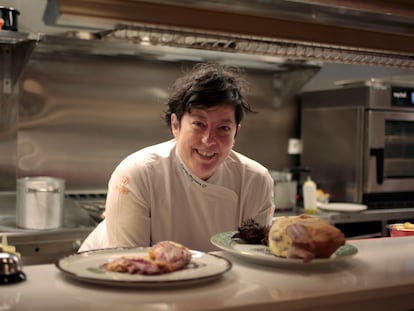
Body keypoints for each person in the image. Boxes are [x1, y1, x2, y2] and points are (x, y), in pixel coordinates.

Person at [79, 62, 275, 252]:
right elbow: (128, 263)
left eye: (223, 128)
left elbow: (254, 259)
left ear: (235, 133)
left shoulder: (255, 181)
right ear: (176, 125)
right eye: (199, 124)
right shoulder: (138, 172)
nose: (209, 140)